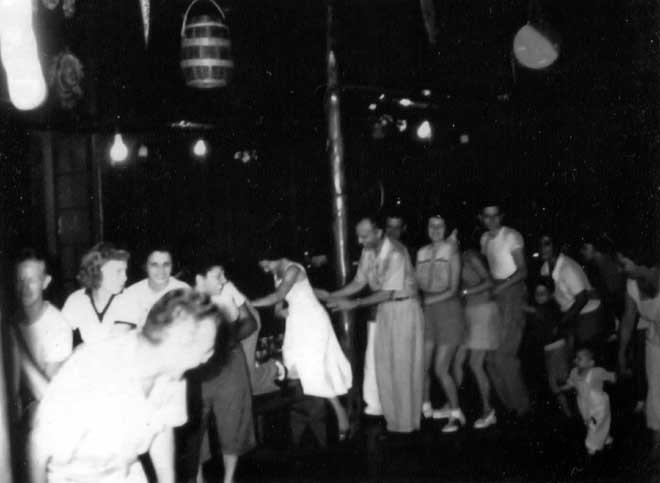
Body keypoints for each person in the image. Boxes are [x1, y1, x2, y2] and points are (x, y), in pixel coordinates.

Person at [28, 289, 222, 483]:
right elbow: (37, 450)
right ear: (176, 342)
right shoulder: (93, 368)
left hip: (126, 473)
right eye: (205, 349)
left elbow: (161, 427)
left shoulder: (171, 373)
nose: (207, 358)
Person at [322, 216, 424, 433]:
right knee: (383, 366)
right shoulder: (368, 251)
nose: (360, 241)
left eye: (364, 236)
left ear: (379, 233)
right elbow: (359, 282)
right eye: (358, 235)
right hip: (386, 310)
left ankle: (406, 426)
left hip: (405, 309)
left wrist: (354, 303)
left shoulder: (396, 252)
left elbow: (388, 292)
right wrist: (331, 296)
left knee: (402, 367)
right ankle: (394, 422)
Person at [251, 257, 352, 438]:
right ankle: (305, 421)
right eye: (262, 267)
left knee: (314, 370)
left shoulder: (293, 269)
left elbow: (278, 295)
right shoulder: (277, 272)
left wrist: (248, 304)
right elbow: (278, 307)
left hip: (313, 321)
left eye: (267, 264)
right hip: (297, 322)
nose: (266, 269)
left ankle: (339, 415)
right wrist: (283, 311)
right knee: (293, 368)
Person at [189, 262, 259, 483]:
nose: (223, 280)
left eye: (223, 275)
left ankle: (228, 479)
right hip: (197, 367)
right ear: (200, 279)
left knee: (233, 420)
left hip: (229, 362)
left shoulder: (228, 290)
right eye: (217, 276)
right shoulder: (183, 299)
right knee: (194, 424)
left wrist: (227, 338)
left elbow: (250, 323)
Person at [415, 215, 465, 432]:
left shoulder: (452, 250)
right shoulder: (421, 252)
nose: (435, 229)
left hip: (448, 311)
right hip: (428, 312)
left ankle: (456, 413)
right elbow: (417, 284)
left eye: (440, 225)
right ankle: (425, 407)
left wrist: (425, 301)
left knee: (440, 369)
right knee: (422, 365)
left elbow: (453, 288)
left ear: (446, 228)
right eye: (431, 225)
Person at [10, 250, 73, 424]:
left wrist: (15, 344)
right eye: (20, 280)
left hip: (42, 412)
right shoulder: (11, 318)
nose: (25, 287)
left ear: (45, 282)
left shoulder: (59, 326)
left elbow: (47, 397)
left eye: (32, 280)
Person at [479, 203, 530, 417]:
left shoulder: (511, 236)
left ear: (501, 216)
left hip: (512, 293)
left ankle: (522, 408)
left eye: (495, 216)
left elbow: (523, 270)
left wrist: (502, 286)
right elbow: (491, 271)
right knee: (490, 358)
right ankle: (509, 407)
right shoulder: (484, 239)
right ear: (481, 218)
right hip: (496, 295)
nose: (491, 220)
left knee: (504, 356)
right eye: (487, 216)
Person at [454, 248, 500, 429]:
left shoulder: (468, 256)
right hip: (469, 312)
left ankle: (489, 411)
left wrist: (465, 292)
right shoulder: (451, 261)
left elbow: (489, 282)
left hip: (482, 310)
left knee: (475, 364)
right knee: (457, 360)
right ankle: (453, 404)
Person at [61, 242, 137, 344]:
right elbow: (58, 334)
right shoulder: (77, 299)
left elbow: (113, 347)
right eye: (118, 271)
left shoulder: (128, 299)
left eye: (125, 271)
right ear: (96, 272)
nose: (125, 277)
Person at [618, 249, 660, 431]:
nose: (620, 269)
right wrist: (621, 351)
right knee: (655, 392)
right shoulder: (632, 284)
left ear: (642, 263)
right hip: (655, 340)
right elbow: (628, 320)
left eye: (624, 263)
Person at [539, 235, 605, 351]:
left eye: (547, 244)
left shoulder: (567, 268)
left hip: (588, 312)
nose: (542, 248)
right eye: (540, 244)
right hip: (571, 312)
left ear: (555, 246)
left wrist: (560, 323)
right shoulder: (545, 269)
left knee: (584, 354)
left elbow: (582, 299)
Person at [523, 277, 571, 417]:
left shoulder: (551, 307)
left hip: (558, 348)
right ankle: (567, 411)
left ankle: (573, 410)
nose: (538, 296)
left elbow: (537, 312)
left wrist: (520, 305)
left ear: (550, 294)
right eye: (537, 293)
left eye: (542, 293)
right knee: (553, 383)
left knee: (562, 380)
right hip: (548, 349)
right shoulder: (540, 308)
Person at [560, 346, 615, 455]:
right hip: (584, 404)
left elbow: (610, 376)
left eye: (580, 359)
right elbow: (571, 383)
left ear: (591, 363)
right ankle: (606, 438)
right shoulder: (574, 372)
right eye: (576, 358)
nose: (576, 360)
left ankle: (592, 447)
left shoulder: (596, 372)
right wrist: (562, 388)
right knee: (590, 423)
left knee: (594, 424)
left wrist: (615, 377)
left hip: (598, 404)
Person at [123, 247, 190, 329]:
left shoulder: (183, 290)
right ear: (145, 266)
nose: (161, 270)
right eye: (154, 265)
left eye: (166, 265)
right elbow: (124, 331)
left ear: (172, 266)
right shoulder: (132, 293)